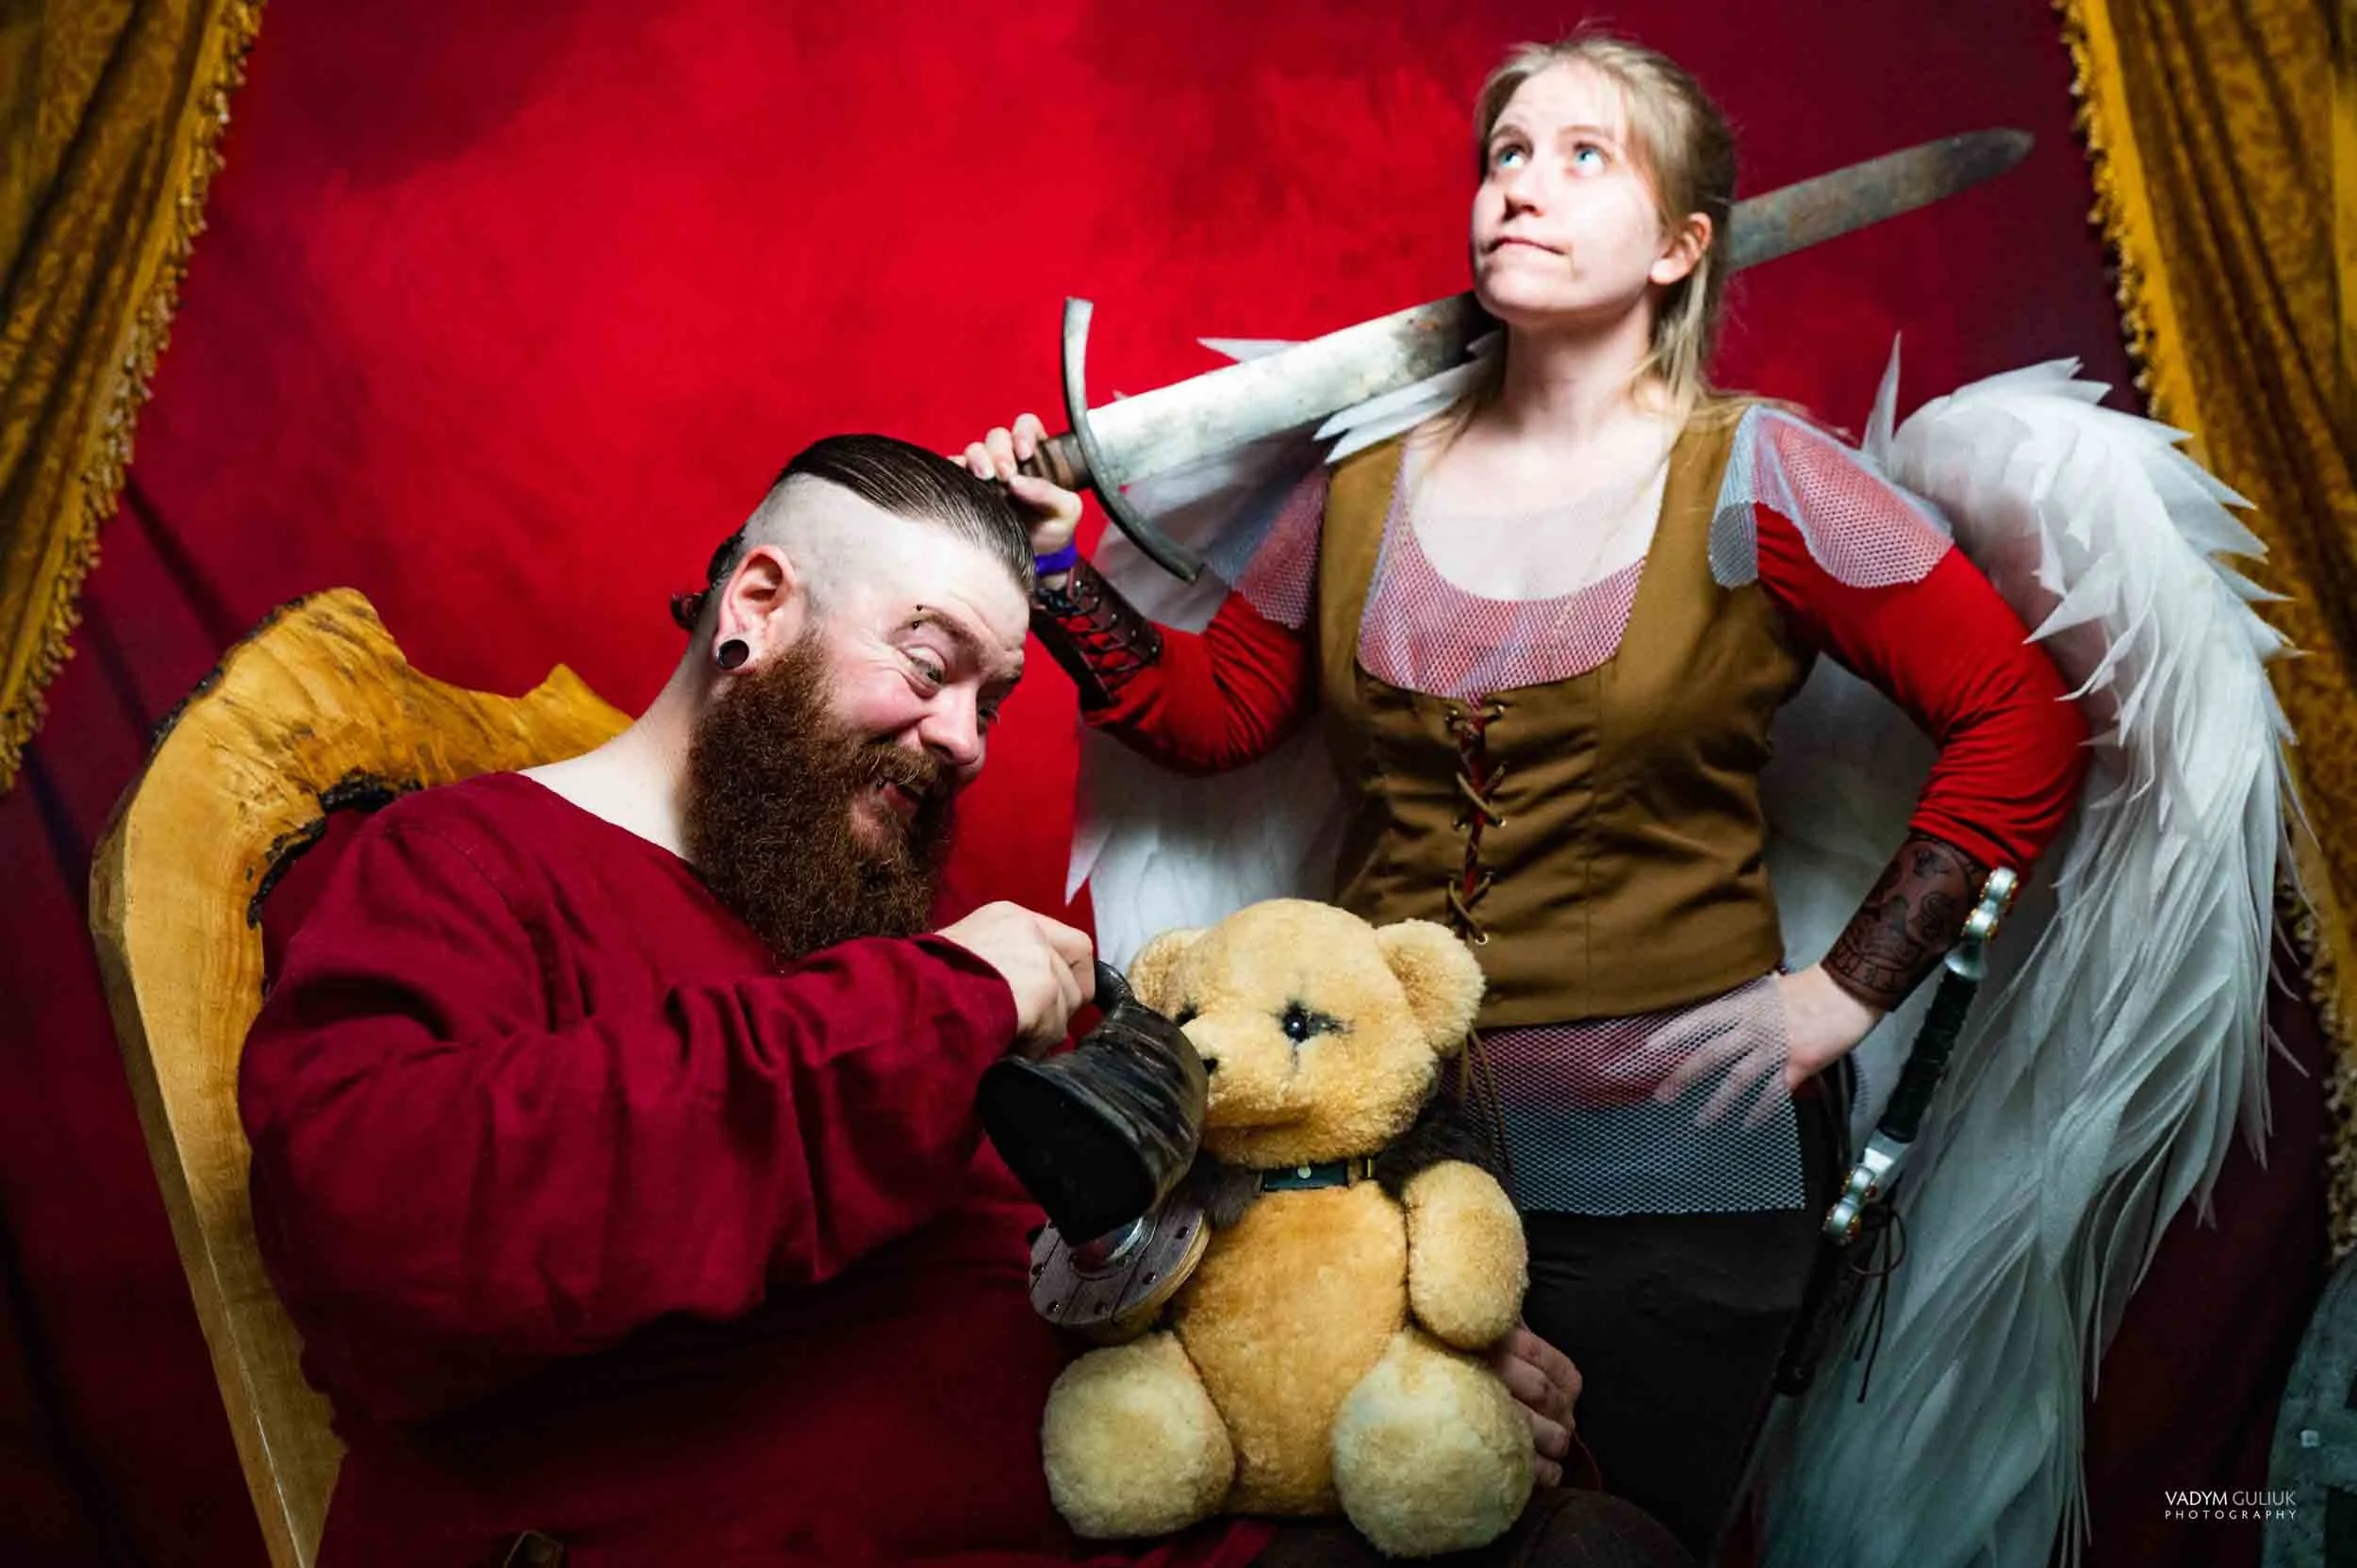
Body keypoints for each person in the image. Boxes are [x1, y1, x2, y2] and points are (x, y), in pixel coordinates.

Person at [969, 29, 2090, 1560]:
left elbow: (2022, 717)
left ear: (1680, 246)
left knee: (1599, 1544)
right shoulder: (1360, 485)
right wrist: (1050, 565)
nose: (1521, 186)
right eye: (1504, 153)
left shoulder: (1764, 477)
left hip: (1679, 1168)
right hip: (1379, 1151)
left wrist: (1840, 993)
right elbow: (1214, 713)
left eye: (1582, 157)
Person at [239, 434, 1679, 1567]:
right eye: (930, 666)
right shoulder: (462, 861)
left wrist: (1354, 1341)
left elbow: (1052, 1259)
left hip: (1141, 1504)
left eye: (990, 700)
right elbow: (382, 1228)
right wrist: (944, 998)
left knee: (1592, 1537)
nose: (968, 743)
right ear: (758, 605)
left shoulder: (818, 915)